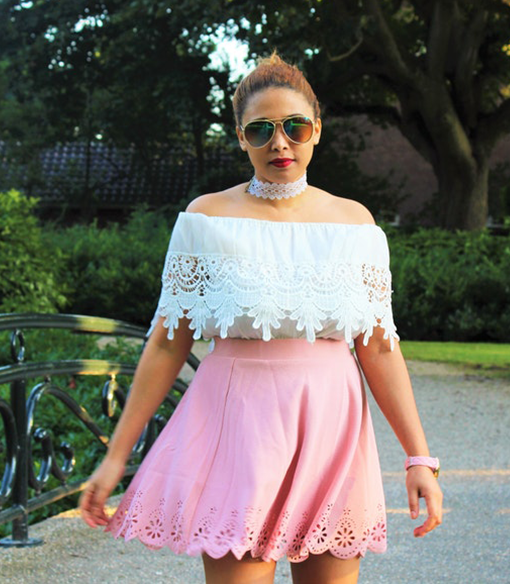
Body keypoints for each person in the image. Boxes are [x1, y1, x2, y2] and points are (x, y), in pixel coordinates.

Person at [79, 52, 443, 584]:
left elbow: (379, 347)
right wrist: (116, 457)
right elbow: (165, 343)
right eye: (261, 130)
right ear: (240, 136)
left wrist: (418, 458)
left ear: (316, 130)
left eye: (295, 127)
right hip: (238, 431)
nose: (280, 143)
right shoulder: (204, 219)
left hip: (331, 430)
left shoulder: (357, 225)